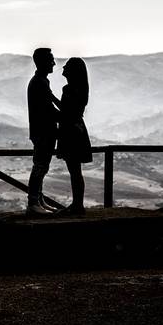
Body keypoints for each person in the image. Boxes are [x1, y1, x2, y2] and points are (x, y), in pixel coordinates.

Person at [56, 57, 93, 215]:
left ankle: (77, 205)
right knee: (76, 171)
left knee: (74, 170)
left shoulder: (68, 89)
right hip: (78, 130)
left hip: (70, 132)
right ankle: (78, 204)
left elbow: (64, 111)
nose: (63, 69)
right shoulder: (82, 90)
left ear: (72, 71)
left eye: (66, 67)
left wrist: (49, 97)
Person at [27, 47, 60, 215]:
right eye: (51, 59)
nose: (54, 63)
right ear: (42, 62)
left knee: (42, 166)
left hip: (42, 131)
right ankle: (33, 203)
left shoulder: (41, 81)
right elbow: (48, 109)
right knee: (40, 166)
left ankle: (38, 200)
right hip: (44, 132)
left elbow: (50, 103)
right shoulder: (39, 82)